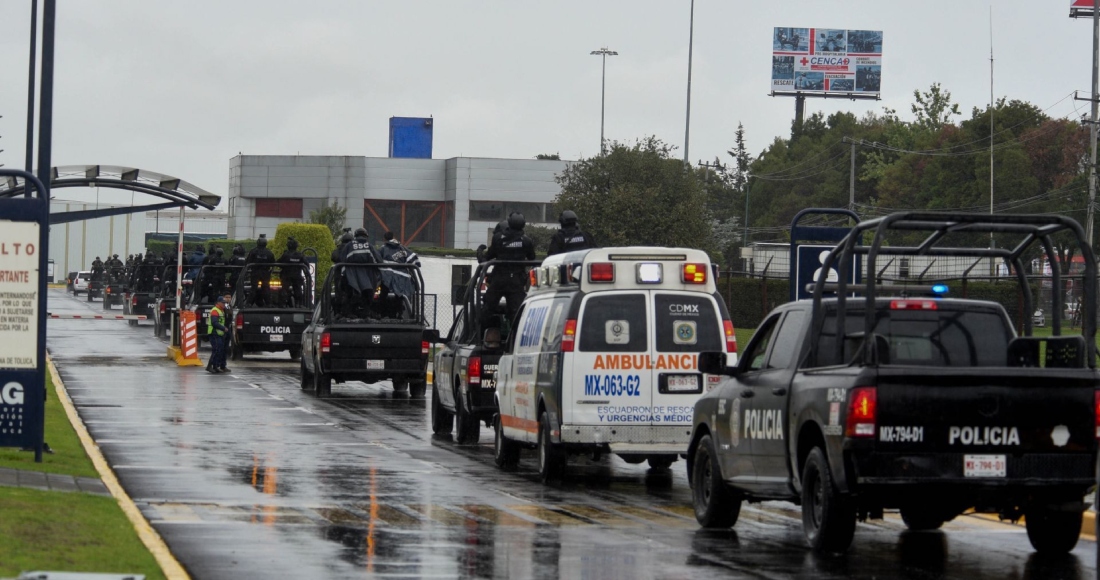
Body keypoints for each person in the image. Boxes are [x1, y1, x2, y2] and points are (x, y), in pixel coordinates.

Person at [481, 212, 535, 329]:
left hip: (498, 280)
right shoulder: (526, 241)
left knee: (487, 308)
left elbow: (488, 257)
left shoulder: (498, 239)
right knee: (517, 313)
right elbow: (532, 258)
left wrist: (480, 253)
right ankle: (515, 337)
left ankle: (489, 333)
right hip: (516, 282)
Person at [338, 228, 382, 319]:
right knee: (368, 293)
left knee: (349, 294)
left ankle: (347, 312)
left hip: (350, 275)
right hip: (367, 276)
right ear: (366, 236)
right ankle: (366, 313)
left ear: (355, 236)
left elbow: (342, 259)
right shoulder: (369, 246)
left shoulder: (349, 245)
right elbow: (377, 261)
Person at [245, 235, 276, 306]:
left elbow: (247, 262)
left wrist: (247, 272)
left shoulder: (253, 251)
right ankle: (268, 303)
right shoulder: (269, 252)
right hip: (265, 272)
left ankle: (249, 303)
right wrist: (270, 271)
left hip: (255, 272)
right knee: (266, 288)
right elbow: (273, 263)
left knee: (253, 288)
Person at [278, 236, 307, 308]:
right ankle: (299, 304)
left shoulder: (286, 255)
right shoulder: (300, 255)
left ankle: (283, 304)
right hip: (297, 275)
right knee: (298, 289)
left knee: (285, 289)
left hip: (286, 275)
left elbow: (279, 262)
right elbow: (306, 264)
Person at [206, 295, 229, 374]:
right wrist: (223, 328)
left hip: (219, 334)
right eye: (222, 303)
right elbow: (214, 323)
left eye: (224, 303)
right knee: (216, 350)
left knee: (219, 350)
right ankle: (210, 366)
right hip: (214, 332)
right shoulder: (215, 310)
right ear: (218, 303)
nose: (224, 304)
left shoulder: (221, 310)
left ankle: (215, 366)